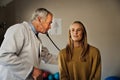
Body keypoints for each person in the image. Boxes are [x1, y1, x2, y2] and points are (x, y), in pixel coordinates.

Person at [0, 8, 53, 80]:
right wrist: (32, 70)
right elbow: (4, 55)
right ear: (39, 19)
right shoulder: (19, 29)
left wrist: (67, 58)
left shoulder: (36, 38)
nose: (50, 27)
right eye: (49, 23)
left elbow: (48, 57)